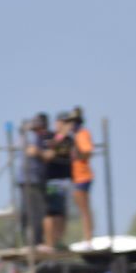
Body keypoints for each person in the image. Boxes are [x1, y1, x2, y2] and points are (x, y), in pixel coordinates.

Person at [41, 112, 76, 251]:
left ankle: (58, 241)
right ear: (57, 123)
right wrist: (60, 136)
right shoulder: (49, 136)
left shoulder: (70, 140)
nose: (67, 126)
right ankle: (49, 243)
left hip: (66, 181)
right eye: (64, 122)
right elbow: (48, 153)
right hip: (52, 181)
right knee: (51, 212)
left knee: (62, 214)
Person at [18, 113, 51, 245]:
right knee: (28, 214)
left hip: (35, 180)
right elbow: (30, 151)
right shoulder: (30, 137)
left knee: (36, 213)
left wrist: (39, 152)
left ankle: (36, 241)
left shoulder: (44, 138)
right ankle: (30, 242)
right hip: (27, 180)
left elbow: (44, 154)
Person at [67, 107, 95, 245]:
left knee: (84, 208)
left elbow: (87, 152)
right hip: (78, 176)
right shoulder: (76, 135)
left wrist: (76, 150)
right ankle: (87, 237)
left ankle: (88, 238)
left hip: (83, 176)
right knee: (82, 208)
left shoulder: (82, 134)